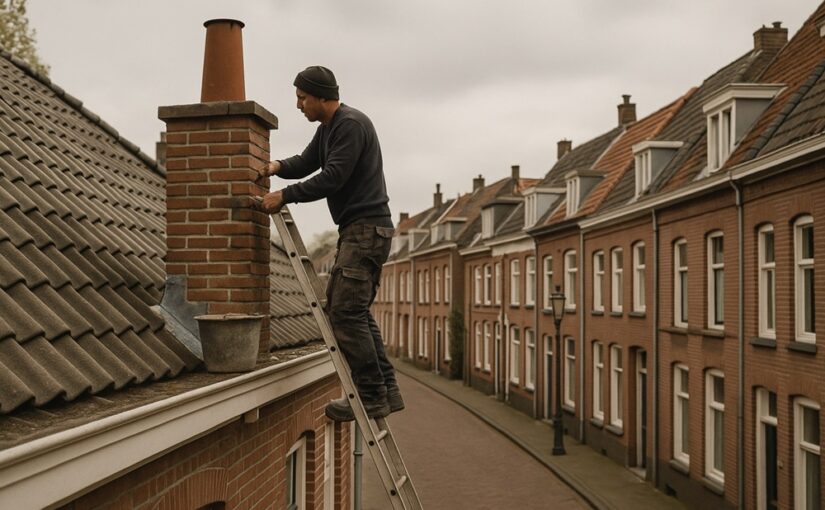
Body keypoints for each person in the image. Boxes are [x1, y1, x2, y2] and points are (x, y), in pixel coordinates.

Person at [258, 66, 404, 422]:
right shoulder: (328, 130)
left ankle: (371, 397)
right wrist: (274, 166)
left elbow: (333, 177)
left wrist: (285, 196)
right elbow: (308, 162)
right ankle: (387, 391)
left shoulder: (350, 125)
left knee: (343, 313)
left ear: (323, 96)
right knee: (355, 311)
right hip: (361, 231)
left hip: (366, 231)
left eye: (302, 98)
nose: (298, 105)